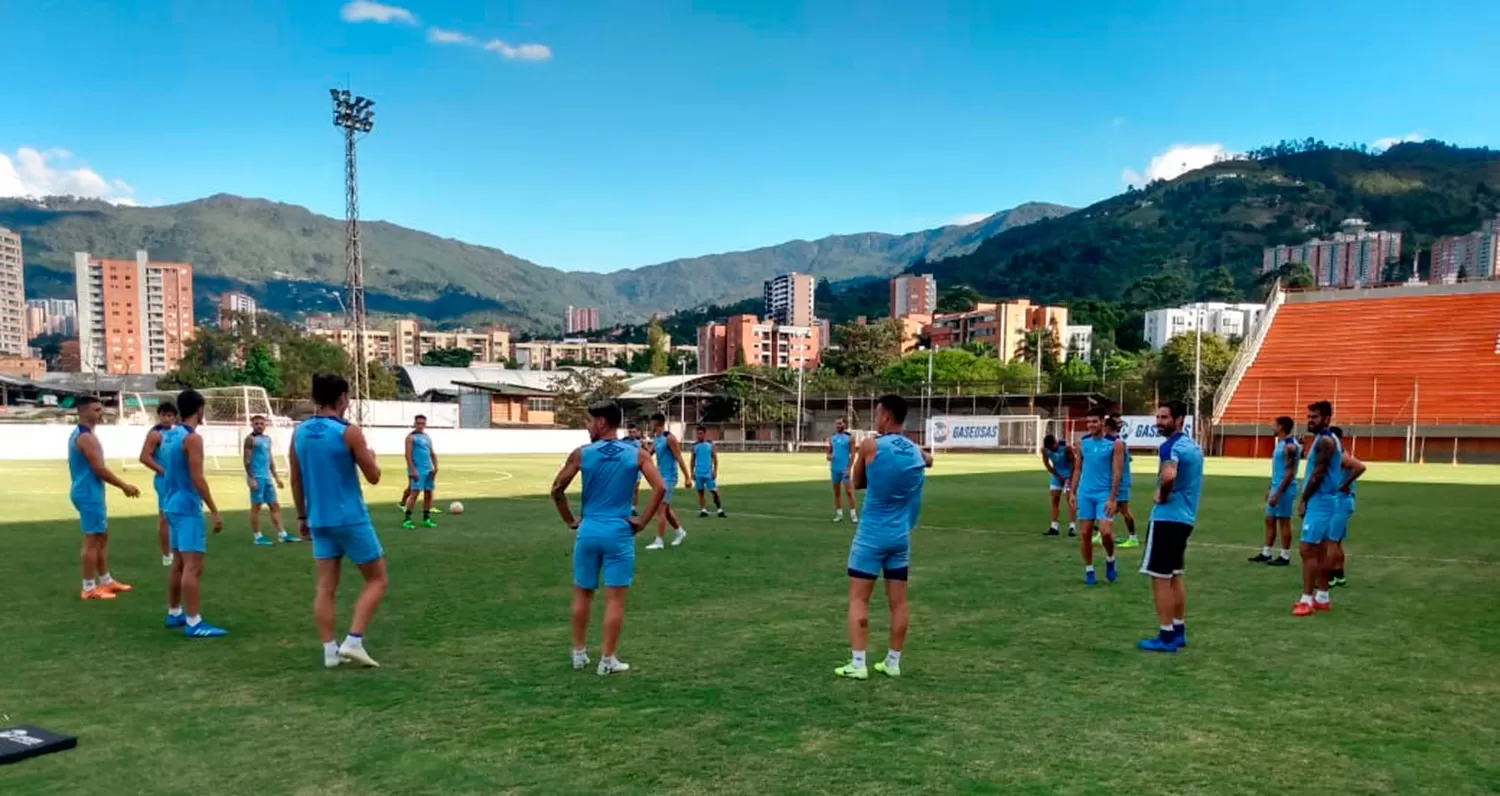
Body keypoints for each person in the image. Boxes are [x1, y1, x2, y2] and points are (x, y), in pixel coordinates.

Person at [551, 402, 668, 675]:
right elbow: (660, 487)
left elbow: (557, 489)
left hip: (589, 529)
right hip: (619, 531)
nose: (588, 426)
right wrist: (642, 521)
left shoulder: (583, 454)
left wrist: (570, 520)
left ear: (602, 423)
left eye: (590, 421)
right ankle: (607, 660)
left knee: (583, 593)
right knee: (615, 599)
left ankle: (579, 654)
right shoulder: (637, 454)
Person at [290, 373, 387, 668]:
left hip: (318, 518)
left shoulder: (300, 432)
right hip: (350, 517)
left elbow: (296, 479)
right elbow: (373, 476)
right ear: (342, 398)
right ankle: (353, 641)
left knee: (325, 587)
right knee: (377, 579)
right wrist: (371, 455)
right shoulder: (349, 432)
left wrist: (302, 515)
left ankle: (329, 651)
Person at [835, 395, 931, 680]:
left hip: (871, 535)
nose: (875, 419)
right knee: (899, 602)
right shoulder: (915, 450)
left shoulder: (871, 445)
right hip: (900, 536)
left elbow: (858, 482)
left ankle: (858, 663)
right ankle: (893, 661)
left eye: (877, 414)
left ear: (886, 416)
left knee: (858, 599)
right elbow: (930, 460)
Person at [1137, 400, 1203, 653]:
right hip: (1185, 518)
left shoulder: (1170, 446)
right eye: (1158, 417)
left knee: (1160, 578)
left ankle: (1165, 636)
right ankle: (1178, 630)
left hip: (1167, 518)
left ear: (1179, 419)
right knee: (1175, 575)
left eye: (1165, 417)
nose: (1159, 422)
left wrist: (1162, 494)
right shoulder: (1193, 446)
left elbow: (1169, 475)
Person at [160, 389, 228, 637]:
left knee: (178, 562)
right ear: (199, 409)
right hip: (187, 506)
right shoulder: (192, 438)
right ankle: (193, 621)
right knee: (193, 565)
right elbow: (197, 478)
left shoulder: (169, 434)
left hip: (170, 503)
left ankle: (175, 612)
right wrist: (214, 509)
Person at [70, 396, 141, 600]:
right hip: (88, 493)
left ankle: (106, 580)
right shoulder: (85, 438)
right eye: (96, 409)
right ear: (83, 411)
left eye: (100, 409)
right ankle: (88, 588)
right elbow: (99, 469)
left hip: (89, 491)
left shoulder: (84, 434)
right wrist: (124, 486)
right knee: (92, 539)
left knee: (101, 536)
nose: (100, 413)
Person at [1293, 400, 1341, 617]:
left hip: (1320, 501)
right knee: (1320, 549)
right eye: (1309, 416)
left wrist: (1304, 499)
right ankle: (1322, 596)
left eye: (1315, 417)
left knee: (1307, 549)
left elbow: (1318, 474)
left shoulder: (1325, 443)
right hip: (1326, 500)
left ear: (1327, 418)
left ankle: (1306, 600)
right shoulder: (1326, 440)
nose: (1310, 420)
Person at [1068, 408, 1122, 585]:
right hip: (1085, 493)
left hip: (1104, 494)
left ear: (1102, 423)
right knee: (1085, 534)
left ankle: (1110, 559)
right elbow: (1077, 469)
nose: (1090, 425)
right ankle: (1089, 569)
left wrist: (1113, 498)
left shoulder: (1115, 444)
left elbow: (1117, 472)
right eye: (1088, 422)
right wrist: (1072, 491)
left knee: (1105, 532)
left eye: (1094, 421)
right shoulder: (1082, 444)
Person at [1250, 416, 1301, 566]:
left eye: (1274, 424)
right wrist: (1270, 488)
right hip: (1276, 487)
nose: (1272, 427)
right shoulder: (1281, 444)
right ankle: (1267, 552)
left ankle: (1285, 556)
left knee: (1284, 521)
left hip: (1284, 489)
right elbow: (1278, 470)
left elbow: (1290, 473)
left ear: (1281, 427)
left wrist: (1278, 493)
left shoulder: (1290, 446)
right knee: (1270, 519)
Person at [245, 414, 299, 546]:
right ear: (252, 425)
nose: (259, 426)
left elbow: (269, 458)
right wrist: (251, 478)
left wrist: (276, 477)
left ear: (265, 425)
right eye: (256, 423)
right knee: (256, 507)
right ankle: (257, 536)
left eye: (261, 423)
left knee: (274, 505)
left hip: (267, 477)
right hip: (257, 477)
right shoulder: (250, 439)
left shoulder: (267, 439)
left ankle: (282, 534)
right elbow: (246, 460)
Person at [138, 402, 178, 567]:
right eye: (163, 415)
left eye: (170, 416)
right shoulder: (155, 434)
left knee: (178, 514)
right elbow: (144, 457)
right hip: (163, 481)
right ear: (159, 416)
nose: (166, 419)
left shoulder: (177, 433)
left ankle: (177, 549)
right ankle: (166, 554)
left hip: (178, 480)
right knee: (164, 518)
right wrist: (163, 471)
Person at [1326, 426, 1366, 588]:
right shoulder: (1340, 453)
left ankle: (1328, 577)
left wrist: (1344, 484)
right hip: (1344, 501)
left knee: (1330, 541)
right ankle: (1339, 574)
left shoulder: (1341, 455)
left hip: (1341, 501)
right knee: (1337, 542)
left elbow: (1360, 467)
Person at [645, 413, 691, 550]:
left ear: (657, 424)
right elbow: (647, 454)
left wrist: (687, 477)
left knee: (660, 509)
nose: (651, 426)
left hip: (669, 477)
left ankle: (659, 541)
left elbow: (679, 458)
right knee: (665, 508)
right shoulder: (657, 439)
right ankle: (680, 531)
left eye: (652, 423)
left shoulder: (669, 439)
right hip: (660, 477)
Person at [1104, 416, 1140, 548]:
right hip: (1118, 480)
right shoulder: (1117, 442)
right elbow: (1128, 459)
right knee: (1112, 508)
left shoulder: (1118, 442)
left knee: (1124, 509)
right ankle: (1103, 532)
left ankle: (1133, 537)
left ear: (1107, 427)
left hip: (1121, 481)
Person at [402, 415, 439, 529]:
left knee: (428, 493)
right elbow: (407, 455)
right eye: (418, 423)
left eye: (423, 423)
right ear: (414, 424)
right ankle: (407, 519)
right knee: (415, 493)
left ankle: (426, 518)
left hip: (428, 469)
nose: (420, 425)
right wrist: (412, 470)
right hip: (418, 469)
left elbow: (432, 453)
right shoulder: (410, 437)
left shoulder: (427, 437)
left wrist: (436, 467)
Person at [1040, 433, 1077, 537]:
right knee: (1055, 500)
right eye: (1050, 448)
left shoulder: (1066, 448)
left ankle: (1072, 527)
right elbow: (1047, 464)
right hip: (1057, 476)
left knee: (1070, 500)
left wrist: (1070, 478)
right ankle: (1054, 527)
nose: (1053, 449)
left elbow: (1074, 463)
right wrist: (1057, 475)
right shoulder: (1045, 450)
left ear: (1056, 442)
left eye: (1053, 447)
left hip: (1069, 475)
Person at [828, 418, 859, 523]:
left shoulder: (850, 438)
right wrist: (829, 456)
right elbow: (829, 452)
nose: (838, 425)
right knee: (836, 493)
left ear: (844, 424)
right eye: (836, 424)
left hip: (844, 469)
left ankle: (853, 515)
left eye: (840, 423)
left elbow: (853, 454)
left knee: (849, 492)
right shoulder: (832, 438)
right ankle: (839, 514)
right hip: (834, 469)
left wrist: (849, 468)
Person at [692, 426, 726, 518]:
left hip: (708, 473)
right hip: (698, 473)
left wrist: (715, 471)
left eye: (701, 433)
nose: (699, 436)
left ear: (704, 434)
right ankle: (703, 510)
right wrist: (692, 472)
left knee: (714, 491)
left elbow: (715, 459)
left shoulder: (710, 445)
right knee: (700, 492)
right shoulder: (695, 446)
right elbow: (692, 460)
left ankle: (719, 509)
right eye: (697, 434)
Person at [625, 422, 644, 516]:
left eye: (633, 432)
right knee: (626, 488)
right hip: (626, 469)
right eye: (630, 432)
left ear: (636, 432)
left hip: (636, 469)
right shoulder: (623, 442)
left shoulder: (639, 442)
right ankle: (625, 506)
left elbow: (646, 453)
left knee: (635, 489)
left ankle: (633, 508)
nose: (632, 434)